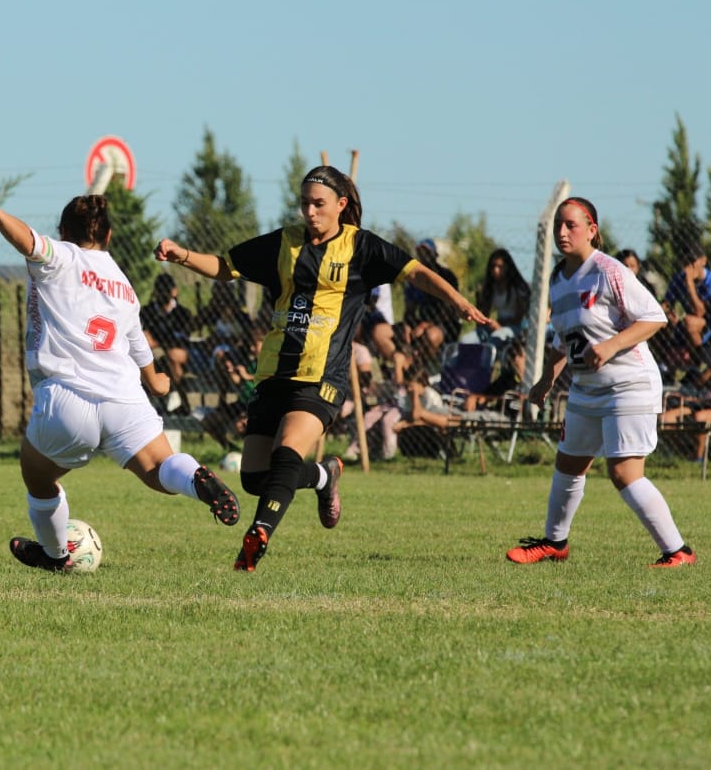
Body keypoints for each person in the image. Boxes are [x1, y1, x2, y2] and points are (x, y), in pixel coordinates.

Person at [154, 165, 490, 571]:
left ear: (341, 204)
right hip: (274, 373)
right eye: (305, 204)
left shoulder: (361, 247)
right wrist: (183, 255)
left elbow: (414, 272)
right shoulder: (284, 243)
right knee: (255, 478)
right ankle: (325, 476)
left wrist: (457, 301)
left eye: (319, 204)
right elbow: (226, 266)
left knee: (286, 453)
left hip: (322, 375)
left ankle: (257, 537)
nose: (310, 212)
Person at [0, 189, 241, 572]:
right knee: (159, 468)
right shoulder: (122, 284)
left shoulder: (61, 256)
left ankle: (55, 555)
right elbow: (136, 342)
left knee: (38, 477)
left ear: (63, 232)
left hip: (67, 397)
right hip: (124, 398)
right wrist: (156, 381)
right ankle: (196, 478)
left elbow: (27, 240)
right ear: (108, 236)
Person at [507, 196, 696, 568]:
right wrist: (546, 379)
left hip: (629, 385)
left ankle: (678, 552)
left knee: (623, 473)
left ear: (592, 230)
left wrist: (611, 345)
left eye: (571, 225)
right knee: (568, 464)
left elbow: (654, 317)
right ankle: (554, 543)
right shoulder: (558, 279)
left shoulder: (609, 270)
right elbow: (566, 340)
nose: (562, 232)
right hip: (587, 388)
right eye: (558, 225)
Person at [661, 243, 711, 358]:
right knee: (659, 322)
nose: (689, 266)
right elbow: (666, 304)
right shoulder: (678, 279)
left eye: (692, 261)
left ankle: (699, 360)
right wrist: (667, 314)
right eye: (685, 262)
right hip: (689, 322)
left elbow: (700, 312)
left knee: (690, 322)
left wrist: (689, 284)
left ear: (703, 260)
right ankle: (666, 363)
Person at [139, 272, 194, 411]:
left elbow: (181, 339)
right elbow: (144, 337)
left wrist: (157, 341)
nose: (162, 293)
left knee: (171, 355)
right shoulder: (147, 311)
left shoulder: (183, 313)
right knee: (147, 354)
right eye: (160, 289)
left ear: (174, 291)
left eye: (166, 289)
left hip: (179, 353)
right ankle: (148, 404)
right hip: (154, 353)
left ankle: (183, 402)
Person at [402, 238, 462, 347]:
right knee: (399, 332)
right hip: (422, 320)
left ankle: (423, 356)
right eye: (420, 252)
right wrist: (407, 326)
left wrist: (426, 325)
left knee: (430, 336)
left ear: (435, 255)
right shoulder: (415, 278)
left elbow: (448, 310)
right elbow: (410, 310)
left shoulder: (447, 276)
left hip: (446, 323)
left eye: (427, 252)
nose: (424, 255)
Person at [474, 248, 531, 343]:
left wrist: (499, 327)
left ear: (508, 267)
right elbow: (484, 314)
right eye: (493, 266)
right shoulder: (491, 287)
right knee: (468, 340)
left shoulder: (518, 288)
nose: (495, 270)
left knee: (494, 339)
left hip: (516, 327)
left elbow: (519, 317)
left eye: (500, 266)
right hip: (498, 323)